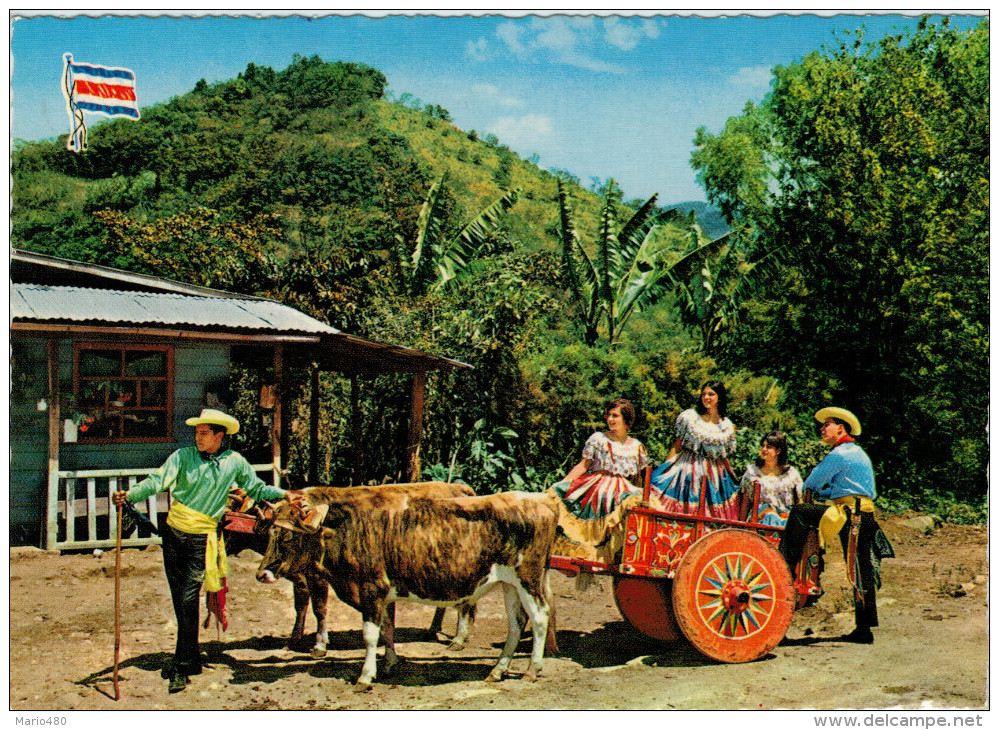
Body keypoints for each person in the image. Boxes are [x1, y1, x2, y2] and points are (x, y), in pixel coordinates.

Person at [113, 408, 294, 693]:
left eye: (204, 433)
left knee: (187, 599)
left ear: (219, 436)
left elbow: (257, 489)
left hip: (201, 539)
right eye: (197, 433)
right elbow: (157, 481)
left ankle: (182, 665)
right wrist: (131, 495)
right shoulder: (182, 457)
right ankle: (191, 657)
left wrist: (284, 494)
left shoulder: (234, 462)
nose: (198, 438)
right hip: (173, 534)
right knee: (179, 598)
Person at [779, 407, 894, 644]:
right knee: (861, 569)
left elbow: (812, 482)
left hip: (852, 515)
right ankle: (864, 629)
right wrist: (827, 492)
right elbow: (841, 489)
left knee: (801, 512)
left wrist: (817, 492)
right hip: (861, 512)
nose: (822, 429)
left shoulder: (840, 454)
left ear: (840, 428)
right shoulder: (855, 452)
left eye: (827, 424)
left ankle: (785, 562)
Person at [648, 380, 740, 519]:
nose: (706, 398)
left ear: (719, 397)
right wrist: (666, 467)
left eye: (711, 394)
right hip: (687, 468)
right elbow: (677, 444)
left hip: (713, 475)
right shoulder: (690, 417)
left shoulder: (726, 426)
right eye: (703, 394)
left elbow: (723, 456)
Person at [551, 398, 649, 521]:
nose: (610, 419)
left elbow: (637, 478)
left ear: (626, 419)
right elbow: (583, 466)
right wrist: (563, 483)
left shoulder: (636, 446)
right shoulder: (599, 439)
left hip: (622, 491)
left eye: (615, 416)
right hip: (598, 488)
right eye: (608, 415)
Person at [738, 431, 803, 527]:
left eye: (768, 447)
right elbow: (745, 502)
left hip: (785, 517)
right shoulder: (752, 473)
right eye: (762, 446)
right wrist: (741, 527)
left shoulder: (791, 474)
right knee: (770, 517)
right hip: (760, 518)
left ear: (778, 450)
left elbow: (799, 501)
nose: (764, 449)